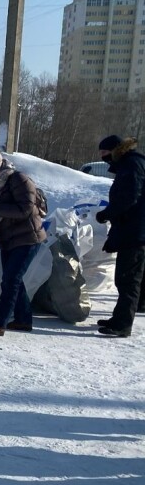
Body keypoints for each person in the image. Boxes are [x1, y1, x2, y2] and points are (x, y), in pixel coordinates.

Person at [0, 147, 47, 336]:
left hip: (28, 237)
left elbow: (25, 209)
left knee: (11, 280)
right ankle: (23, 320)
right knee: (13, 280)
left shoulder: (20, 180)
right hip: (8, 239)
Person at [93, 135, 145, 337]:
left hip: (135, 232)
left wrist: (107, 214)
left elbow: (129, 197)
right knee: (131, 278)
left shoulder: (132, 165)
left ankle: (122, 324)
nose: (103, 157)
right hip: (134, 230)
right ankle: (121, 317)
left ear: (116, 150)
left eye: (104, 153)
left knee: (127, 279)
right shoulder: (131, 163)